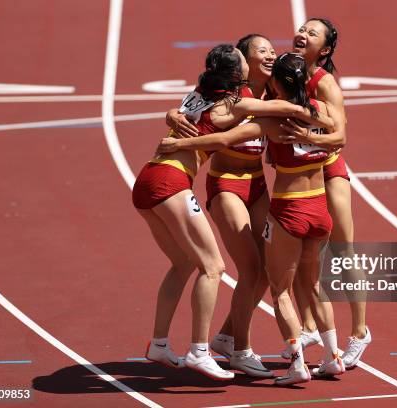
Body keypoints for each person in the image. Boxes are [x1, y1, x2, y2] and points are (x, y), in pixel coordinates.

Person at [135, 44, 330, 380]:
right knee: (213, 267)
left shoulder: (202, 91)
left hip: (152, 177)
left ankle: (160, 343)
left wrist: (171, 116)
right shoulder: (235, 105)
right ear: (237, 71)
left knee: (184, 263)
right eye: (252, 54)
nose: (267, 56)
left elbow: (182, 112)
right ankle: (199, 350)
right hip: (171, 182)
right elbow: (281, 107)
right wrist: (313, 112)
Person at [164, 34, 278, 378]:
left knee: (268, 269)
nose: (271, 56)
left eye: (273, 50)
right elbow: (186, 110)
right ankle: (241, 350)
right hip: (227, 184)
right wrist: (172, 114)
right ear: (244, 61)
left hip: (258, 184)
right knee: (251, 268)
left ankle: (227, 336)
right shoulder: (229, 94)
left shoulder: (274, 91)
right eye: (263, 52)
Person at [280, 18, 372, 369]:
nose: (302, 34)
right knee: (306, 255)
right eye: (302, 29)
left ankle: (360, 332)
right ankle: (307, 326)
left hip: (328, 168)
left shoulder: (325, 83)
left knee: (343, 249)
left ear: (326, 49)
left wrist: (307, 139)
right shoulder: (286, 75)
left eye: (312, 33)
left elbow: (340, 136)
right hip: (298, 175)